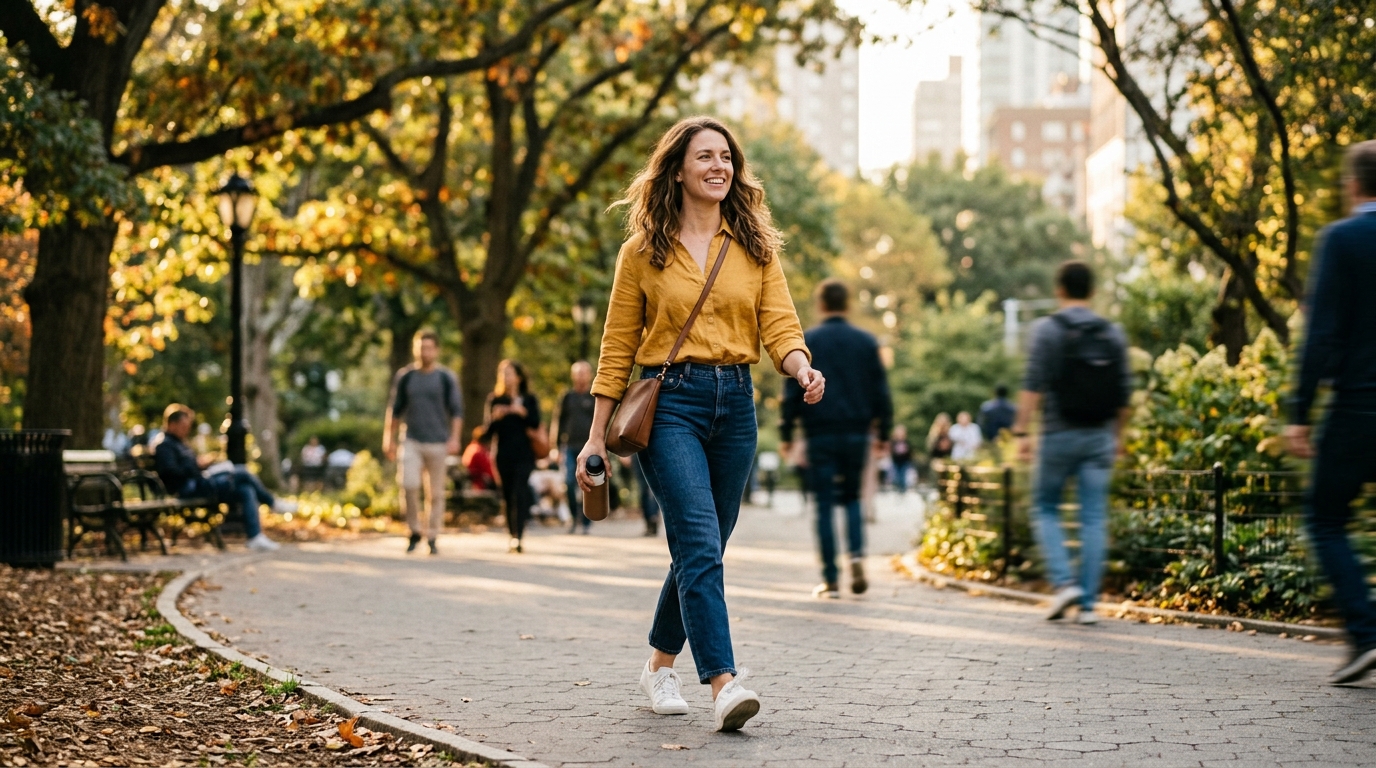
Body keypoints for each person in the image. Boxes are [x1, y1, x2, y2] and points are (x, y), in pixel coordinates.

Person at [577, 116, 824, 732]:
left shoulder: (754, 246)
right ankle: (723, 681)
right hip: (672, 405)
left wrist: (800, 369)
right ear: (680, 169)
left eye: (726, 157)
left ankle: (659, 664)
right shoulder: (641, 253)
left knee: (703, 548)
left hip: (737, 405)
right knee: (696, 541)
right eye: (705, 156)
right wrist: (594, 434)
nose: (719, 166)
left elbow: (780, 324)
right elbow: (616, 346)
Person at [1284, 140, 1376, 686]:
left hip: (1358, 407)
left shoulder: (1341, 239)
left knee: (1325, 517)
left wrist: (1298, 411)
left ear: (1352, 185)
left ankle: (1366, 634)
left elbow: (1319, 335)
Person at [1012, 260, 1132, 625]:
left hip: (1057, 434)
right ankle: (1090, 605)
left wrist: (1022, 433)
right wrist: (1117, 437)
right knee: (1093, 517)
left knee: (1045, 507)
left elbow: (1033, 384)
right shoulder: (1113, 334)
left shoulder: (1048, 330)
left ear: (1060, 289)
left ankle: (1065, 582)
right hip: (1098, 437)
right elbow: (1124, 396)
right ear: (1092, 291)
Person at [781, 279, 892, 599]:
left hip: (820, 432)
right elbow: (880, 391)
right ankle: (856, 555)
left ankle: (831, 579)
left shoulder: (809, 342)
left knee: (825, 504)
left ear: (820, 305)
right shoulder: (866, 342)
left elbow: (793, 390)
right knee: (853, 496)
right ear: (847, 304)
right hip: (857, 432)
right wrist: (883, 432)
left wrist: (788, 433)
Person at [152, 404, 293, 552]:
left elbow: (187, 467)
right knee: (241, 471)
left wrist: (201, 464)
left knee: (245, 489)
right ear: (172, 424)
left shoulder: (180, 443)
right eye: (183, 426)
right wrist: (196, 466)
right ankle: (273, 503)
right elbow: (171, 473)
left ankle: (255, 537)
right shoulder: (164, 446)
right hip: (188, 488)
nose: (186, 429)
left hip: (200, 483)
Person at [384, 330, 464, 556]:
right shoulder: (406, 376)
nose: (425, 352)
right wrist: (388, 439)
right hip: (411, 439)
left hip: (438, 441)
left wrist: (455, 438)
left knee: (436, 493)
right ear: (415, 349)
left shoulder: (446, 378)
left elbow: (457, 411)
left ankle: (432, 535)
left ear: (436, 350)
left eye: (429, 347)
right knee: (408, 485)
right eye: (421, 347)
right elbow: (395, 410)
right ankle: (414, 530)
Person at [487, 359, 542, 553]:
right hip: (503, 454)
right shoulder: (495, 400)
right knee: (508, 495)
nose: (506, 377)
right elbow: (487, 433)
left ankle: (519, 536)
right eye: (503, 373)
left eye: (509, 373)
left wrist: (523, 412)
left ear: (518, 377)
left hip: (525, 454)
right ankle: (511, 535)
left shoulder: (529, 399)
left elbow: (536, 424)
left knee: (520, 492)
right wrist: (495, 418)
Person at [558, 361, 597, 534]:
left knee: (589, 484)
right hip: (570, 447)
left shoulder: (594, 397)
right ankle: (573, 519)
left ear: (589, 375)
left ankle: (587, 521)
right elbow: (559, 423)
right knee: (569, 482)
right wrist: (557, 447)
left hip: (589, 448)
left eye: (584, 372)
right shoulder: (567, 397)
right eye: (578, 372)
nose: (581, 376)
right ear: (573, 375)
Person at [632, 454, 661, 535]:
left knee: (650, 487)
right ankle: (651, 518)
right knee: (645, 488)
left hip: (654, 446)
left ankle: (652, 518)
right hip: (637, 449)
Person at [889, 425, 913, 493]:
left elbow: (910, 452)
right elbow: (891, 452)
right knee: (896, 475)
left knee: (903, 475)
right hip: (896, 462)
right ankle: (897, 487)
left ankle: (903, 489)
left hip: (904, 461)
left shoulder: (906, 442)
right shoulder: (894, 442)